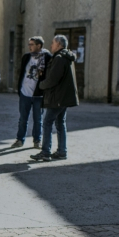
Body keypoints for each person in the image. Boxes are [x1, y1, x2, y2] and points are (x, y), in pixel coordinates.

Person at [31, 34, 79, 162]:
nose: (51, 45)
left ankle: (45, 152)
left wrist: (41, 85)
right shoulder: (66, 56)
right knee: (60, 123)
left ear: (58, 44)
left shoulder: (59, 58)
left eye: (52, 43)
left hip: (57, 97)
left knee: (47, 122)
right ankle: (62, 151)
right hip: (63, 97)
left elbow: (53, 79)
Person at [11, 36, 52, 149]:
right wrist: (19, 89)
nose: (29, 46)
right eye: (29, 44)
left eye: (32, 44)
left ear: (39, 46)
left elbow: (49, 75)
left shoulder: (47, 57)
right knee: (23, 118)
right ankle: (20, 140)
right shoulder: (26, 57)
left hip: (39, 94)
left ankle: (37, 141)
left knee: (38, 119)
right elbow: (22, 73)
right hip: (25, 93)